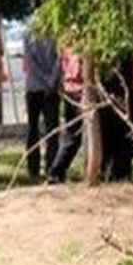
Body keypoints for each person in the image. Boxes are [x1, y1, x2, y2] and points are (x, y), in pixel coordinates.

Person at [23, 0, 61, 180]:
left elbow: (29, 60)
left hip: (34, 86)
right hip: (51, 87)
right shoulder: (55, 26)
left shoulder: (29, 27)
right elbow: (59, 58)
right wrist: (52, 81)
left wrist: (44, 81)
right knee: (52, 128)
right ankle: (52, 168)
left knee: (33, 129)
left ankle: (33, 168)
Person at [47, 47, 85, 183]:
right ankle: (56, 171)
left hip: (70, 89)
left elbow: (61, 67)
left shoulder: (65, 43)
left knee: (72, 135)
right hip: (80, 91)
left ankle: (56, 172)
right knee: (75, 135)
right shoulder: (81, 43)